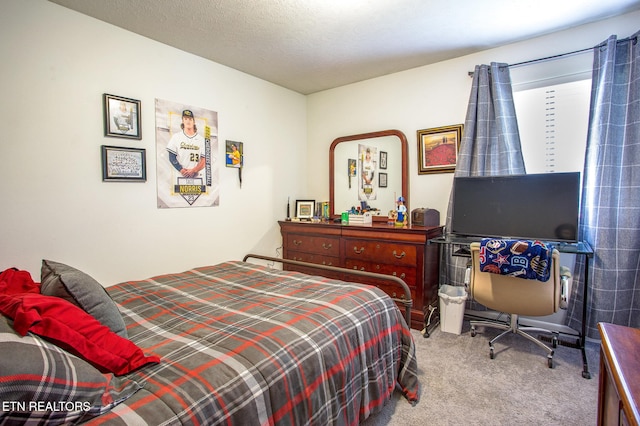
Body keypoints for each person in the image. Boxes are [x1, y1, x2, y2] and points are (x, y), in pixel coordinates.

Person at [166, 110, 206, 179]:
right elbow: (171, 157)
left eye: (190, 119)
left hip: (197, 176)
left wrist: (194, 170)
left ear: (194, 121)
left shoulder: (201, 139)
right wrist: (181, 170)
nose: (188, 121)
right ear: (182, 121)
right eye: (186, 119)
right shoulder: (176, 137)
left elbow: (204, 160)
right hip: (180, 175)